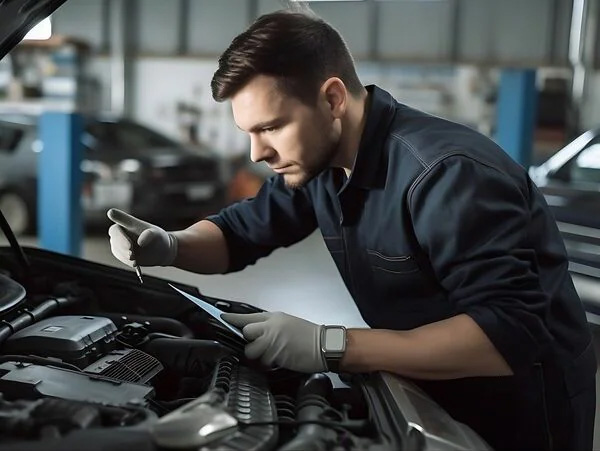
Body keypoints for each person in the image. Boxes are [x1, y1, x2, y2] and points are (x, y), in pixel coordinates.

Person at [107, 9, 596, 450]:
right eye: (249, 133)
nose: (257, 153)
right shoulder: (320, 163)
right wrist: (170, 245)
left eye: (271, 127)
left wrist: (329, 345)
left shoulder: (445, 174)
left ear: (333, 98)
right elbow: (240, 235)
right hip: (425, 387)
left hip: (520, 409)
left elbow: (509, 336)